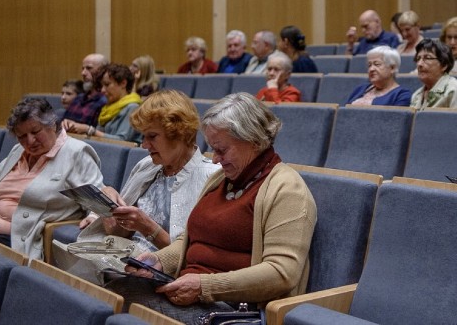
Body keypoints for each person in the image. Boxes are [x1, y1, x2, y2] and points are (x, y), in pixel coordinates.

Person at [108, 93, 317, 324]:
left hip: (235, 310)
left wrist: (203, 286)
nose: (215, 160)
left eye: (222, 150)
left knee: (119, 299)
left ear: (254, 142)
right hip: (193, 293)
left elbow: (281, 273)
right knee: (114, 290)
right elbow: (189, 241)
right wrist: (159, 261)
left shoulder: (288, 189)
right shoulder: (221, 180)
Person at [58, 90, 221, 281]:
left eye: (152, 137)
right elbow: (116, 233)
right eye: (143, 137)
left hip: (159, 274)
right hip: (124, 259)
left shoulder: (209, 178)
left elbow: (190, 257)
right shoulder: (147, 166)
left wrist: (146, 226)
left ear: (180, 133)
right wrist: (108, 204)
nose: (144, 145)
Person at [0, 97, 103, 259]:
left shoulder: (76, 153)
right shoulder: (18, 151)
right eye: (22, 136)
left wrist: (93, 217)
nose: (30, 141)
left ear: (52, 125)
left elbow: (98, 198)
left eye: (35, 132)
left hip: (22, 240)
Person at [63, 63, 142, 143]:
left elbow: (122, 141)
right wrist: (73, 126)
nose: (102, 90)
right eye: (101, 86)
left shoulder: (133, 107)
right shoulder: (108, 107)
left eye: (107, 84)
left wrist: (88, 130)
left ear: (123, 83)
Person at [410, 39, 457, 110]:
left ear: (444, 65)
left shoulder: (454, 89)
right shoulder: (416, 95)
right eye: (418, 58)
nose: (419, 64)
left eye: (427, 58)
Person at [345, 46, 412, 106]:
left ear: (392, 68)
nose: (371, 69)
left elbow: (393, 118)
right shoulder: (360, 89)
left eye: (377, 64)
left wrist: (367, 105)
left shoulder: (402, 95)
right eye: (369, 65)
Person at [64, 53, 109, 126]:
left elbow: (98, 132)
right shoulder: (78, 98)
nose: (83, 73)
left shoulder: (105, 100)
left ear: (103, 70)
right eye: (83, 68)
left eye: (89, 68)